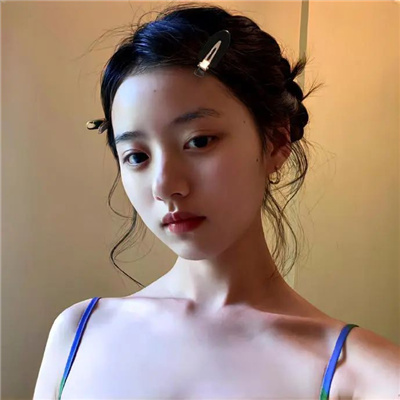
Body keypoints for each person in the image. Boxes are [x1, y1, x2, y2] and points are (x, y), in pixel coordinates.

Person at [33, 2, 399, 399]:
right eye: (137, 157)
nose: (165, 186)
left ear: (276, 141)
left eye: (199, 141)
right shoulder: (78, 334)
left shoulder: (364, 374)